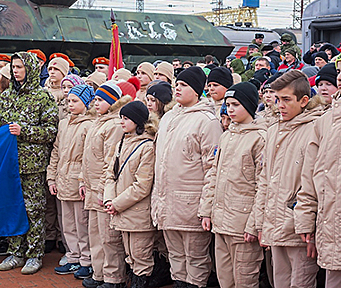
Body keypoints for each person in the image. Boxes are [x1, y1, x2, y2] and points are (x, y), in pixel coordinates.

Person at [295, 48, 341, 288]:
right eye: (339, 71)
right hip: (330, 227)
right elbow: (311, 174)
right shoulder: (327, 119)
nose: (340, 77)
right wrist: (306, 217)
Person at [151, 66, 222, 288]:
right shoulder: (169, 117)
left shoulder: (207, 121)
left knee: (196, 259)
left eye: (184, 85)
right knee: (176, 258)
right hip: (167, 202)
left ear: (197, 90)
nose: (178, 89)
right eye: (177, 85)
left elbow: (212, 168)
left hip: (191, 204)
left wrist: (205, 207)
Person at [0, 51, 59, 275]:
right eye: (13, 67)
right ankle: (15, 252)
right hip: (9, 164)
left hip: (33, 166)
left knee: (34, 211)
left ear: (30, 68)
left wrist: (25, 131)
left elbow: (51, 132)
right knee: (12, 208)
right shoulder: (5, 97)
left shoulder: (44, 97)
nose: (15, 71)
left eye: (20, 67)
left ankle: (34, 254)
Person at [256, 70, 323, 288]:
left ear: (304, 101)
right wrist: (262, 224)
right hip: (276, 224)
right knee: (280, 281)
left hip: (299, 230)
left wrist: (308, 228)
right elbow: (265, 180)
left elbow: (314, 184)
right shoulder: (274, 129)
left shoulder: (315, 128)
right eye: (277, 99)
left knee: (301, 282)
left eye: (286, 99)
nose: (280, 105)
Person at [201, 82, 265, 288]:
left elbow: (262, 186)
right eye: (228, 105)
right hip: (221, 223)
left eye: (236, 104)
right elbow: (214, 175)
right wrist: (206, 210)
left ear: (249, 105)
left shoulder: (259, 138)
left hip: (243, 224)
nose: (230, 109)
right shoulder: (226, 136)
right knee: (225, 279)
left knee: (244, 280)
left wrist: (254, 224)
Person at [80, 82, 131, 288]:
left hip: (103, 189)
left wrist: (103, 189)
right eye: (96, 99)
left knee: (108, 237)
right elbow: (88, 157)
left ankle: (114, 277)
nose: (96, 103)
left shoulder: (113, 125)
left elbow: (110, 161)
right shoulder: (98, 121)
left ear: (112, 102)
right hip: (92, 187)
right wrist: (83, 180)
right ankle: (99, 272)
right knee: (95, 233)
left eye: (101, 100)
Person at [104, 101, 157, 288]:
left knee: (141, 255)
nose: (122, 122)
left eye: (126, 119)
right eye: (121, 118)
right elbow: (110, 174)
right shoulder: (121, 142)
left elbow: (142, 185)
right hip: (121, 209)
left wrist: (117, 203)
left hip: (137, 212)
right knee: (130, 255)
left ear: (137, 120)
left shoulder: (147, 147)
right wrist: (109, 200)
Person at [48, 84, 95, 279]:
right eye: (69, 101)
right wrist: (52, 177)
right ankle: (73, 257)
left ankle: (86, 260)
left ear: (86, 102)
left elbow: (89, 157)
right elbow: (56, 152)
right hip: (63, 177)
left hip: (78, 180)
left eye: (75, 101)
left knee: (81, 223)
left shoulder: (89, 125)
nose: (71, 104)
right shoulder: (64, 123)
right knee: (67, 223)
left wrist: (83, 181)